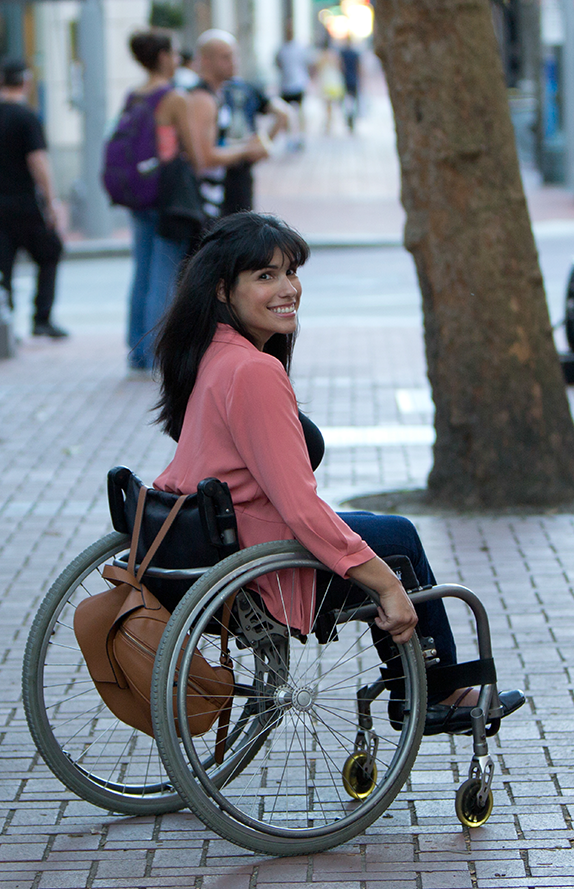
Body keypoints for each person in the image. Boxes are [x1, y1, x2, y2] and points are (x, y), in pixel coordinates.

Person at [151, 212, 525, 735]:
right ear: (221, 290)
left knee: (376, 525)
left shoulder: (212, 352)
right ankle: (436, 691)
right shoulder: (254, 371)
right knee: (397, 540)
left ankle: (421, 685)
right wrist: (385, 585)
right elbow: (302, 508)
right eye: (266, 276)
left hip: (215, 542)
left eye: (291, 273)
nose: (288, 289)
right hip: (255, 563)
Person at [121, 29, 201, 373]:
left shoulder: (134, 95)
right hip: (167, 195)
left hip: (139, 194)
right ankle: (157, 354)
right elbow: (197, 154)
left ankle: (137, 352)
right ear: (164, 56)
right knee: (165, 274)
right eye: (175, 52)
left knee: (142, 270)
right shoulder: (173, 97)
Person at [0, 59, 67, 339]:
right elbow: (38, 161)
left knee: (2, 265)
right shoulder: (27, 117)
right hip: (26, 202)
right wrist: (52, 201)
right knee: (50, 253)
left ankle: (7, 323)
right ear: (25, 83)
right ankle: (42, 318)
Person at [189, 30, 288, 224]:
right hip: (210, 193)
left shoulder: (236, 89)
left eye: (235, 55)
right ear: (206, 60)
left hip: (236, 183)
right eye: (226, 57)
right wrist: (249, 149)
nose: (234, 62)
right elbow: (205, 157)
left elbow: (282, 113)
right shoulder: (202, 98)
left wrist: (261, 144)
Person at [274, 21, 312, 150]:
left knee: (300, 113)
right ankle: (289, 139)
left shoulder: (299, 48)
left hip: (298, 84)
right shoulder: (282, 48)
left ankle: (301, 137)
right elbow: (277, 63)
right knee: (286, 114)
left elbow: (307, 64)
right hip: (286, 86)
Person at [316, 39, 345, 134]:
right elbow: (339, 67)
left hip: (327, 81)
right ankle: (330, 123)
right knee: (332, 105)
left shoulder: (322, 56)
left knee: (328, 105)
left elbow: (318, 69)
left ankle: (329, 123)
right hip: (333, 81)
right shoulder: (334, 55)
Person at [339, 36, 362, 132]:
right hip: (351, 80)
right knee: (352, 101)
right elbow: (358, 67)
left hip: (347, 80)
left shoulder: (344, 53)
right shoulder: (353, 53)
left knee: (348, 102)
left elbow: (341, 67)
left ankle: (349, 119)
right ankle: (350, 119)